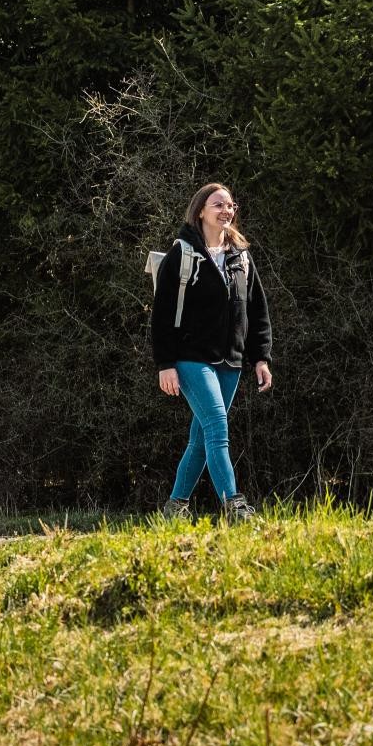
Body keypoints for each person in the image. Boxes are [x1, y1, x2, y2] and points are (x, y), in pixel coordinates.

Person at [150, 183, 274, 522]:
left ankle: (174, 509)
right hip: (191, 358)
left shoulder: (241, 257)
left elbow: (257, 311)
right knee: (218, 427)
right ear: (201, 211)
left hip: (231, 361)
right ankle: (234, 506)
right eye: (218, 204)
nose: (227, 210)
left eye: (231, 205)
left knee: (202, 438)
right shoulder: (183, 253)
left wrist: (260, 358)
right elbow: (161, 314)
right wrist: (165, 364)